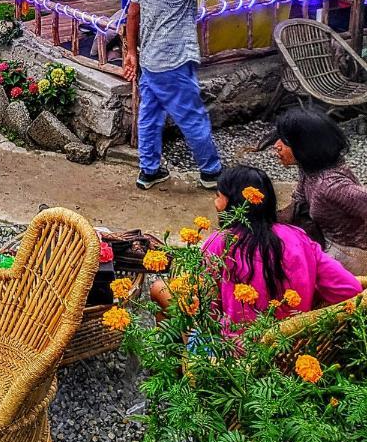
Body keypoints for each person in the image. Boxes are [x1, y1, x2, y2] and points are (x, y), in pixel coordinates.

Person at [151, 165, 362, 326]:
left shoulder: (220, 243)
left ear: (231, 203)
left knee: (159, 289)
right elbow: (350, 289)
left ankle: (177, 365)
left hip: (234, 354)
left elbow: (205, 306)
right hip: (290, 348)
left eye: (218, 196)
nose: (215, 203)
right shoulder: (299, 238)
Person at [123, 0, 227, 191]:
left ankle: (149, 171)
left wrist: (131, 52)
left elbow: (132, 12)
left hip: (150, 59)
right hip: (174, 60)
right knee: (192, 116)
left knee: (150, 116)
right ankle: (211, 172)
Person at [274, 107, 367, 276]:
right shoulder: (310, 167)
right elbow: (299, 201)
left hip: (347, 251)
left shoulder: (330, 186)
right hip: (325, 237)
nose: (276, 146)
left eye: (285, 141)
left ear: (305, 146)